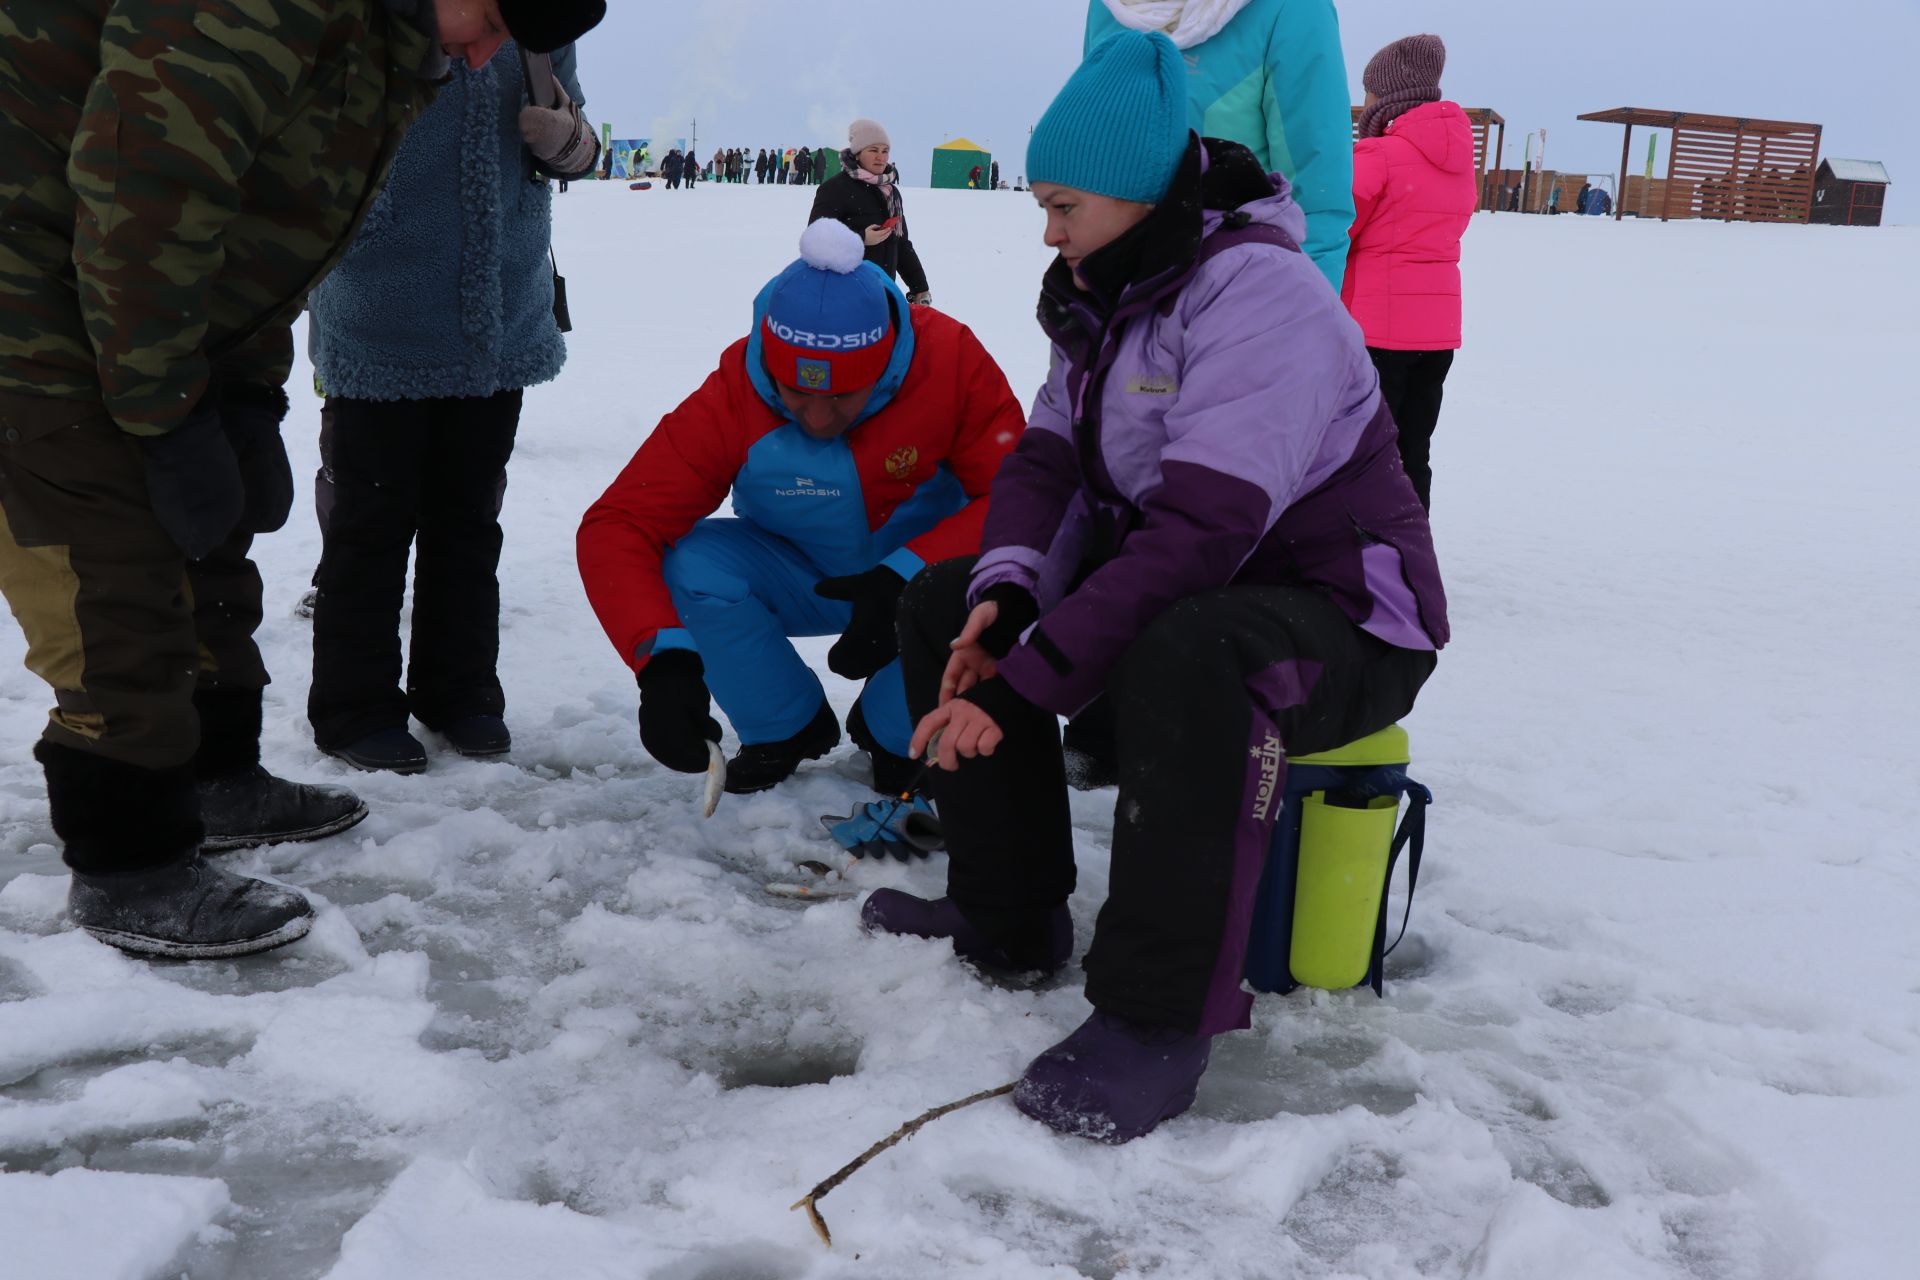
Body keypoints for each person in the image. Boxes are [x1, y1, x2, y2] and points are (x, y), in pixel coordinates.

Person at [862, 31, 1447, 1143]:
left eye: (1064, 204)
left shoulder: (1262, 297)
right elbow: (1046, 461)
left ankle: (1154, 1014)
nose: (1048, 230)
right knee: (944, 598)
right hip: (1203, 592)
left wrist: (1026, 684)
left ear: (1136, 195)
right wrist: (1004, 607)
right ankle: (1008, 911)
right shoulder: (1103, 288)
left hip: (1344, 616)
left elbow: (1204, 527)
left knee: (1199, 647)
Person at [0, 0, 607, 961]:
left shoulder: (392, 37)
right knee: (110, 565)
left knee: (207, 538)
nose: (489, 52)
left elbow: (267, 216)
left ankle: (214, 773)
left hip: (132, 288)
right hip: (36, 283)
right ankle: (130, 865)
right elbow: (149, 184)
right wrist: (162, 413)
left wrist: (241, 391)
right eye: (489, 17)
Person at [577, 221, 1024, 796]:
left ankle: (896, 731)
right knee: (691, 564)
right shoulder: (737, 385)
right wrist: (661, 664)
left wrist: (907, 576)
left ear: (885, 368)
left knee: (1001, 582)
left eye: (842, 397)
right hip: (799, 570)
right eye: (795, 392)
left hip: (921, 579)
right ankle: (784, 726)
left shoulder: (950, 358)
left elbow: (1021, 501)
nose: (817, 418)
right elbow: (620, 524)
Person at [305, 42, 598, 774]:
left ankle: (460, 689)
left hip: (500, 313)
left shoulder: (536, 26)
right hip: (382, 308)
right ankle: (355, 706)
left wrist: (570, 141)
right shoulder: (374, 19)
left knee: (469, 520)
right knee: (369, 522)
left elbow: (578, 140)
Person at [1085, 0, 1354, 292]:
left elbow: (1317, 198)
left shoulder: (1293, 9)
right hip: (1120, 292)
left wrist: (1304, 318)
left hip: (1240, 298)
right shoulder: (1109, 7)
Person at [1345, 35, 1476, 512]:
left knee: (1360, 454)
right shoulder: (1458, 163)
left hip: (1376, 333)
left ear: (1389, 94)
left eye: (1369, 92)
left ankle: (1362, 558)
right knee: (1412, 453)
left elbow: (1338, 227)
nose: (1365, 103)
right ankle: (1410, 556)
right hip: (1437, 335)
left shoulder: (1378, 156)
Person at [811, 119, 932, 305]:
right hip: (842, 295)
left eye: (885, 151)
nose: (881, 157)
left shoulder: (891, 193)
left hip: (882, 295)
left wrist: (920, 288)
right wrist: (860, 238)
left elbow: (901, 244)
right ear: (857, 154)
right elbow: (815, 240)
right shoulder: (835, 188)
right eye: (873, 150)